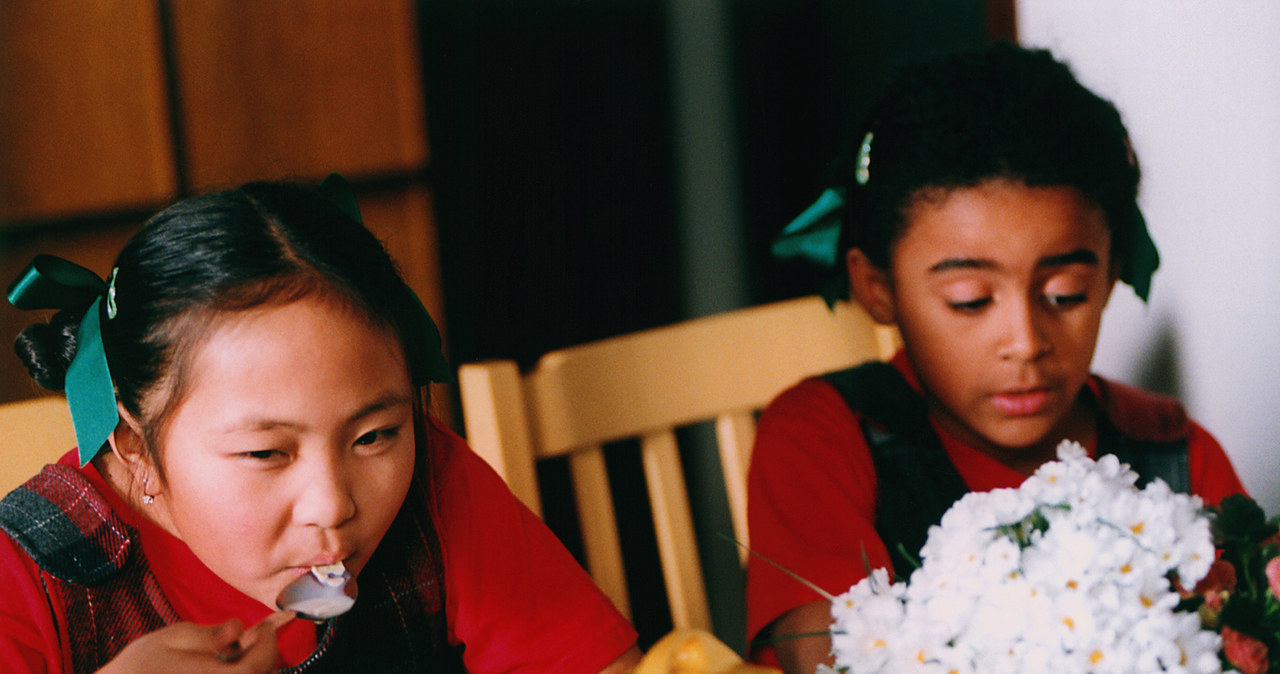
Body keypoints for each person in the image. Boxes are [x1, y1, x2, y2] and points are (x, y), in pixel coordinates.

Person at [1, 175, 642, 672]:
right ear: (136, 446)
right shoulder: (26, 576)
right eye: (266, 453)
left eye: (374, 436)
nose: (333, 506)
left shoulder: (435, 489)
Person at [745, 43, 1246, 673]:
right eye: (970, 300)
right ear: (877, 287)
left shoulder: (1175, 455)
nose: (1025, 341)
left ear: (1112, 271)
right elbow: (833, 658)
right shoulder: (822, 441)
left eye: (1065, 294)